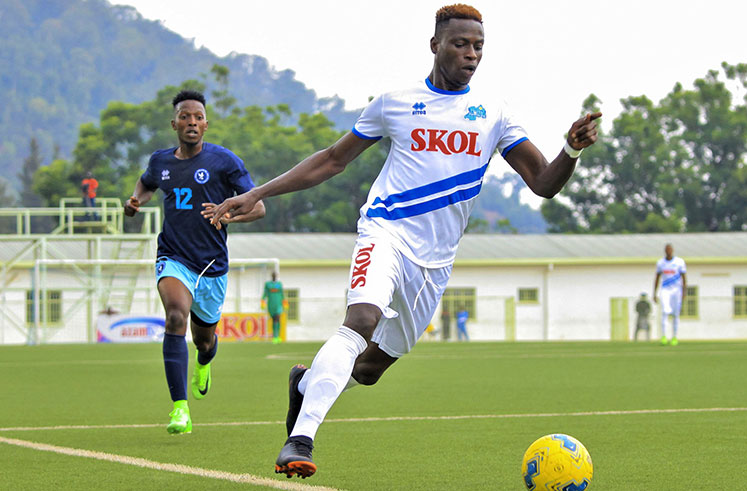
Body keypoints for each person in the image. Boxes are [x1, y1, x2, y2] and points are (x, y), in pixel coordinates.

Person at [208, 4, 600, 478]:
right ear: (435, 45)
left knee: (370, 369)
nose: (471, 54)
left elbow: (542, 183)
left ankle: (306, 383)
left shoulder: (494, 113)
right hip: (385, 231)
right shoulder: (395, 101)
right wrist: (255, 192)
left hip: (434, 263)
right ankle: (300, 440)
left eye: (478, 46)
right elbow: (332, 160)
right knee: (361, 319)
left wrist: (572, 148)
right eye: (460, 44)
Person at [124, 89, 265, 435]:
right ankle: (179, 409)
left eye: (198, 117)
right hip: (173, 255)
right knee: (175, 315)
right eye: (185, 116)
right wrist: (135, 200)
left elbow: (259, 207)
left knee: (204, 340)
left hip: (212, 264)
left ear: (206, 125)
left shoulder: (224, 162)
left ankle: (204, 361)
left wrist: (230, 217)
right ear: (174, 123)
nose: (191, 122)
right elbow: (146, 183)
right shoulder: (161, 161)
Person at [653, 244, 687, 346]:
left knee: (676, 314)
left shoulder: (679, 262)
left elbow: (684, 277)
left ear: (672, 250)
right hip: (665, 290)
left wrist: (684, 291)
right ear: (665, 251)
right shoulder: (660, 263)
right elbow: (657, 278)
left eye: (670, 249)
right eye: (667, 250)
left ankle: (674, 337)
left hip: (677, 291)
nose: (668, 251)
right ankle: (663, 336)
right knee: (665, 312)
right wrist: (654, 293)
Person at [262, 272, 286, 344]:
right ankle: (275, 336)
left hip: (278, 305)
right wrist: (263, 301)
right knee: (274, 320)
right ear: (271, 276)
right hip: (271, 305)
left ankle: (276, 336)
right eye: (273, 275)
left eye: (275, 276)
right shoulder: (268, 285)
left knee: (277, 319)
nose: (274, 277)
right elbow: (265, 293)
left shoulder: (279, 284)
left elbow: (282, 294)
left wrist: (284, 302)